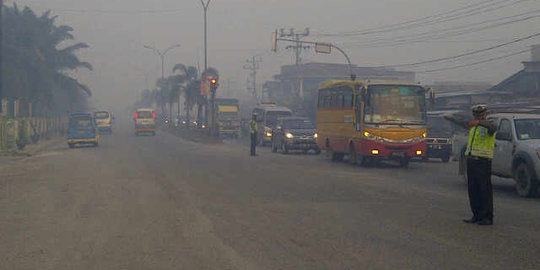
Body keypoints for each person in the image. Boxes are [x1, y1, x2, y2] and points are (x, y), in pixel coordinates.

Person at [444, 104, 497, 225]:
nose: (478, 117)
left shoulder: (489, 125)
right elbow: (463, 123)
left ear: (485, 115)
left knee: (484, 190)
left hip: (483, 161)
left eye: (480, 115)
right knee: (473, 190)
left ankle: (487, 217)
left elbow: (493, 127)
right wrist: (451, 119)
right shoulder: (473, 126)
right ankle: (477, 215)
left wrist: (479, 122)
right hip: (472, 160)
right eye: (476, 116)